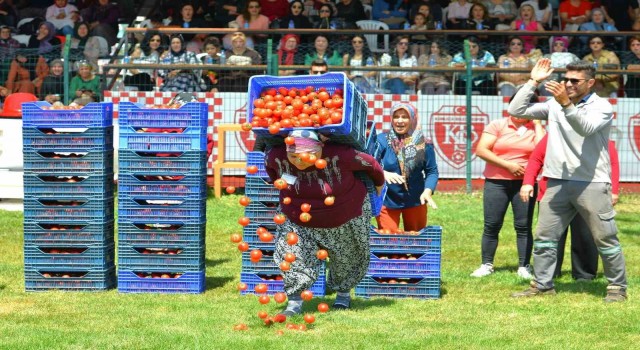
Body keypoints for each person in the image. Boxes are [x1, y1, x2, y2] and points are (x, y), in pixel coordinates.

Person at [509, 59, 627, 302]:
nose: (568, 84)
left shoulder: (601, 107)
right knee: (544, 238)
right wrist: (533, 82)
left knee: (605, 238)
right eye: (566, 79)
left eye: (575, 80)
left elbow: (584, 127)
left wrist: (564, 103)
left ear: (591, 83)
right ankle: (542, 285)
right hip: (556, 183)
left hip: (592, 183)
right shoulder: (554, 104)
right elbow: (516, 110)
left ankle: (617, 288)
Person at [264, 130, 385, 315]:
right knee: (292, 254)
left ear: (320, 147)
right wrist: (286, 189)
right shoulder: (276, 156)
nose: (299, 161)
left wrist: (379, 183)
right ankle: (295, 301)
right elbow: (273, 172)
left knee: (348, 256)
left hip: (345, 215)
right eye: (293, 156)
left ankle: (343, 294)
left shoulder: (341, 154)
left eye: (306, 155)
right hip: (297, 218)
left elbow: (372, 164)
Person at [520, 133, 620, 281]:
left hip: (588, 193)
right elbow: (536, 158)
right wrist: (528, 182)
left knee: (585, 236)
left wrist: (614, 190)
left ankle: (584, 275)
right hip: (553, 193)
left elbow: (612, 162)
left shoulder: (597, 134)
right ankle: (547, 274)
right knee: (550, 237)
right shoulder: (553, 135)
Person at [470, 93, 545, 279]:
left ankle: (524, 266)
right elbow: (481, 150)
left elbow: (543, 150)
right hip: (496, 182)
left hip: (525, 184)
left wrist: (537, 124)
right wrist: (508, 165)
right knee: (492, 225)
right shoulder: (497, 125)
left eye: (528, 106)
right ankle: (486, 264)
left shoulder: (535, 128)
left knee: (523, 225)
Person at [375, 103, 438, 233]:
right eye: (396, 116)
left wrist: (427, 191)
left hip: (416, 198)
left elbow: (431, 171)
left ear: (413, 119)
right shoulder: (381, 140)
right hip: (386, 199)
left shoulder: (424, 145)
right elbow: (370, 163)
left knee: (416, 243)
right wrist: (383, 172)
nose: (399, 120)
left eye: (405, 117)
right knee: (388, 243)